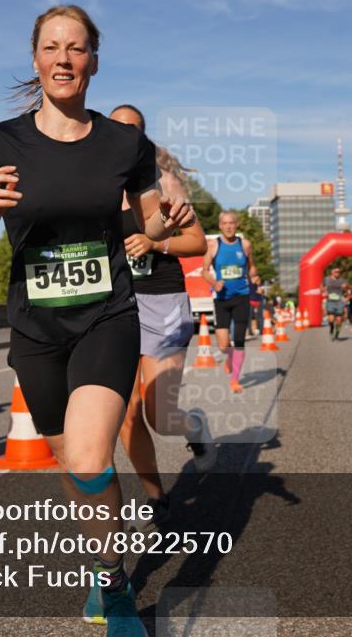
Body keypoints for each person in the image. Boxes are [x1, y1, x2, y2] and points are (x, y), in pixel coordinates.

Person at [0, 6, 194, 636]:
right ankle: (103, 561)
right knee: (72, 463)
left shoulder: (122, 143)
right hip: (35, 329)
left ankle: (113, 592)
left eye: (77, 48)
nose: (64, 58)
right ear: (35, 59)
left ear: (93, 61)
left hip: (106, 316)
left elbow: (149, 226)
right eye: (52, 47)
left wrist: (169, 207)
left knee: (89, 454)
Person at [109, 104, 215, 538]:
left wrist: (155, 245)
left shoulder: (163, 185)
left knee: (159, 415)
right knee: (126, 415)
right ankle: (156, 498)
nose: (123, 138)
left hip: (164, 302)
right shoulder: (94, 184)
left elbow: (196, 242)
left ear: (143, 138)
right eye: (115, 130)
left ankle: (193, 425)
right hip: (115, 305)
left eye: (131, 131)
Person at [203, 211, 257, 393]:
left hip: (242, 297)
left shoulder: (245, 245)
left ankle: (235, 380)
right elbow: (204, 270)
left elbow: (252, 267)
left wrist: (255, 277)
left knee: (239, 339)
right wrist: (214, 282)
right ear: (220, 225)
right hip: (222, 299)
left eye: (231, 223)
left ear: (237, 225)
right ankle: (229, 355)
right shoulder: (213, 246)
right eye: (225, 223)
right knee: (223, 345)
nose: (228, 226)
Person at [323, 266, 347, 340]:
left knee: (339, 320)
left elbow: (346, 288)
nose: (337, 273)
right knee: (331, 320)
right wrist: (324, 291)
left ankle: (337, 333)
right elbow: (321, 287)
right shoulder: (326, 279)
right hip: (330, 301)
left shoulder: (341, 280)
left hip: (339, 301)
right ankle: (332, 328)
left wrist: (345, 288)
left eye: (338, 272)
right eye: (336, 272)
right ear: (332, 272)